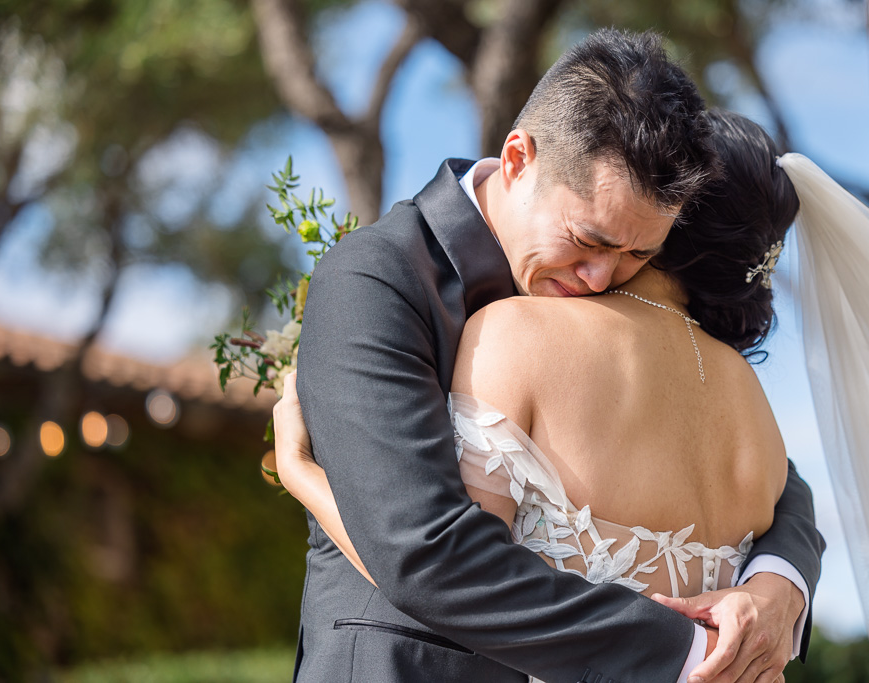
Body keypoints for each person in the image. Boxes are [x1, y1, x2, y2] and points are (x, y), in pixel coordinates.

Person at [290, 29, 824, 683]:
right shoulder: (378, 275)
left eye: (638, 254)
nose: (601, 278)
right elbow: (423, 548)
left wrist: (778, 586)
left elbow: (786, 486)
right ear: (518, 159)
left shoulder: (594, 313)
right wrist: (691, 651)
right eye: (587, 239)